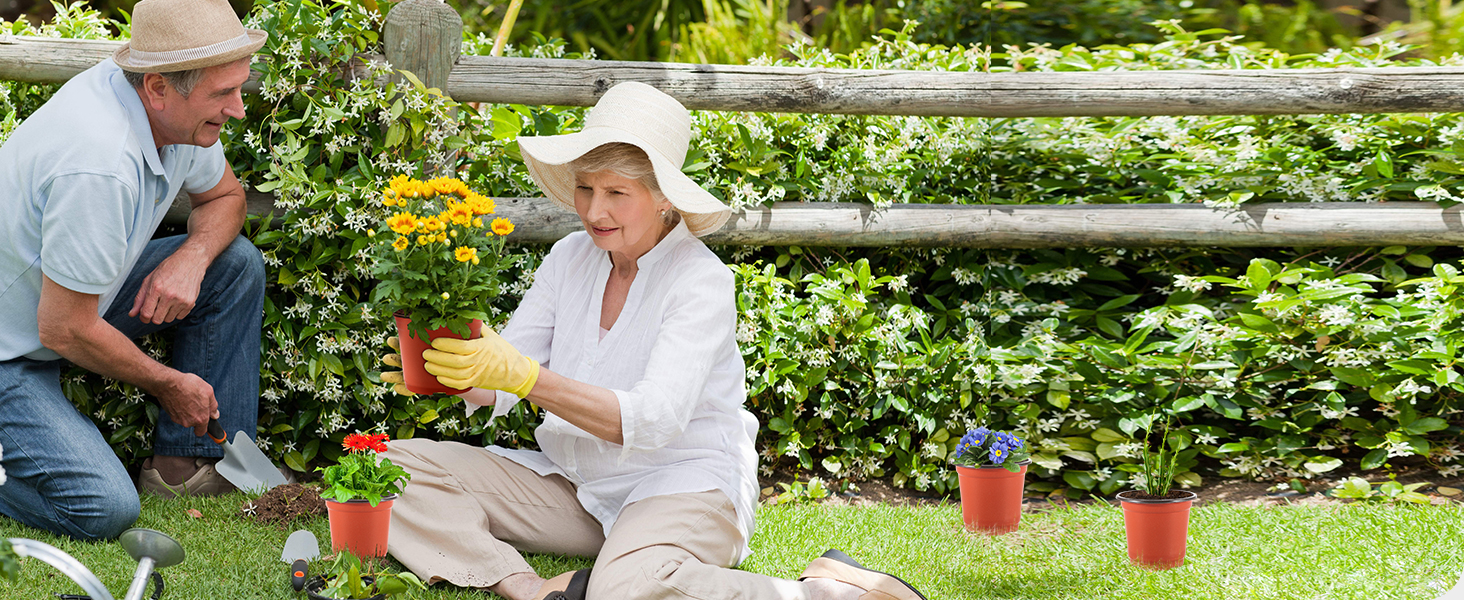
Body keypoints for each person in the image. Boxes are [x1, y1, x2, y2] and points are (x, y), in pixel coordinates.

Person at [379, 82, 926, 600]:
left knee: (625, 589)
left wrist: (526, 378)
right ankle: (527, 586)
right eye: (586, 187)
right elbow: (496, 385)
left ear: (665, 198)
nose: (595, 211)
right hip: (576, 486)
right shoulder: (568, 258)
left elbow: (654, 419)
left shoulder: (700, 280)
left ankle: (824, 592)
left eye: (617, 192)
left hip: (685, 486)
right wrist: (452, 373)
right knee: (392, 469)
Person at [0, 0, 267, 540]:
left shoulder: (174, 116)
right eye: (222, 94)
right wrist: (170, 384)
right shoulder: (98, 162)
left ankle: (189, 468)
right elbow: (65, 328)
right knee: (103, 510)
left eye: (239, 88)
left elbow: (225, 198)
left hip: (62, 305)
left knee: (233, 262)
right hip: (13, 346)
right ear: (158, 88)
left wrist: (190, 259)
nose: (238, 109)